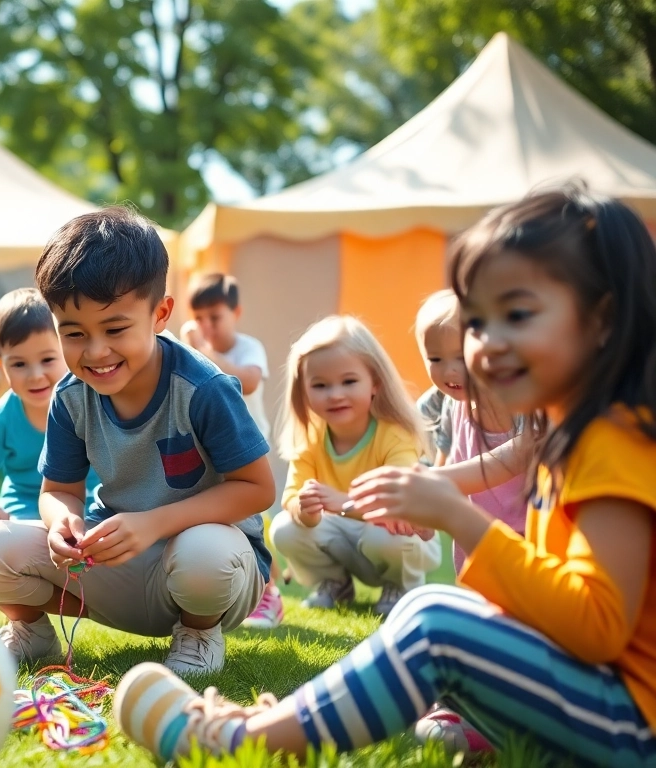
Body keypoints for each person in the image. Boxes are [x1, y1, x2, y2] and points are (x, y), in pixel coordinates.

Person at [112, 185, 656, 765]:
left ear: (602, 319)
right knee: (443, 610)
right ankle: (290, 723)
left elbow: (597, 627)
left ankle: (242, 742)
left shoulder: (613, 444)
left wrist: (457, 517)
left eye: (517, 315)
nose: (486, 345)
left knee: (435, 619)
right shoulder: (571, 438)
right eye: (477, 321)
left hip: (631, 728)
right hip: (601, 701)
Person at [0, 207, 275, 675]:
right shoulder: (69, 397)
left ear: (160, 313)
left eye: (116, 329)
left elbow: (258, 489)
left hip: (212, 573)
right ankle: (32, 632)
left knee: (204, 553)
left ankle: (199, 633)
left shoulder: (204, 388)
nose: (96, 351)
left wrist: (152, 523)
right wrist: (65, 523)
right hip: (118, 564)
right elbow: (57, 491)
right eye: (74, 333)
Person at [410, 293, 527, 751]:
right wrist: (420, 512)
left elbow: (516, 456)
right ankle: (465, 701)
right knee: (477, 627)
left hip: (528, 546)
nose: (448, 371)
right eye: (434, 358)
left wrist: (432, 482)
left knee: (518, 632)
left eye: (459, 356)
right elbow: (445, 475)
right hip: (474, 552)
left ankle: (497, 716)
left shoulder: (524, 400)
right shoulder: (449, 408)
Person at [268, 315, 440, 617]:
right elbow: (292, 497)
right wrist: (305, 510)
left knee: (385, 532)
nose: (335, 394)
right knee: (284, 528)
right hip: (349, 539)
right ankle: (334, 583)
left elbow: (401, 505)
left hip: (396, 535)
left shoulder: (394, 434)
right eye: (320, 385)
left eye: (349, 381)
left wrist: (344, 503)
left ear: (375, 382)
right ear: (303, 391)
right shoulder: (311, 438)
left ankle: (400, 586)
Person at [179, 273, 285, 630]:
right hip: (210, 450)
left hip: (249, 449)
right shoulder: (191, 347)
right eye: (199, 318)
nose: (206, 326)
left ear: (236, 312)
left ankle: (268, 591)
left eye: (215, 317)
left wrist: (202, 352)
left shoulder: (247, 347)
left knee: (255, 519)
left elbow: (248, 380)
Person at [0, 288, 96, 523]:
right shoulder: (1, 418)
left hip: (92, 506)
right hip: (25, 513)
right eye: (19, 364)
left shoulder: (93, 401)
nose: (35, 375)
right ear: (0, 367)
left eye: (47, 360)